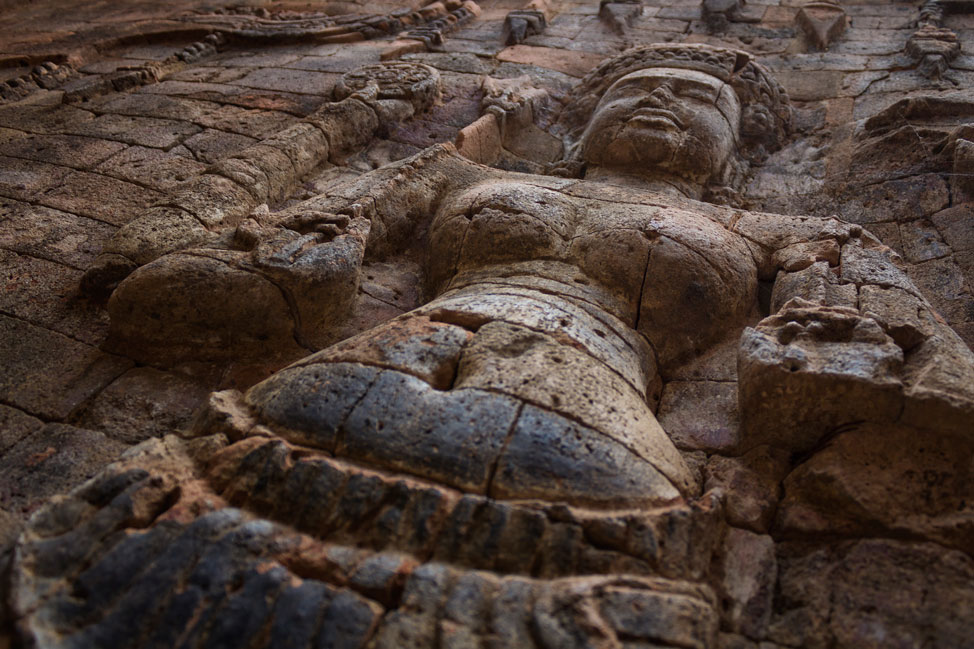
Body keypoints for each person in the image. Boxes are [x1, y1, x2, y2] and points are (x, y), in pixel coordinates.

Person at [12, 44, 974, 649]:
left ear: (741, 148)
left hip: (589, 475)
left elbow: (918, 406)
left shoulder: (791, 234)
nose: (662, 102)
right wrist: (295, 248)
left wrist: (844, 348)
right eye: (638, 85)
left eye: (698, 98)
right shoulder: (454, 174)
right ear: (584, 114)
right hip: (298, 421)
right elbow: (180, 290)